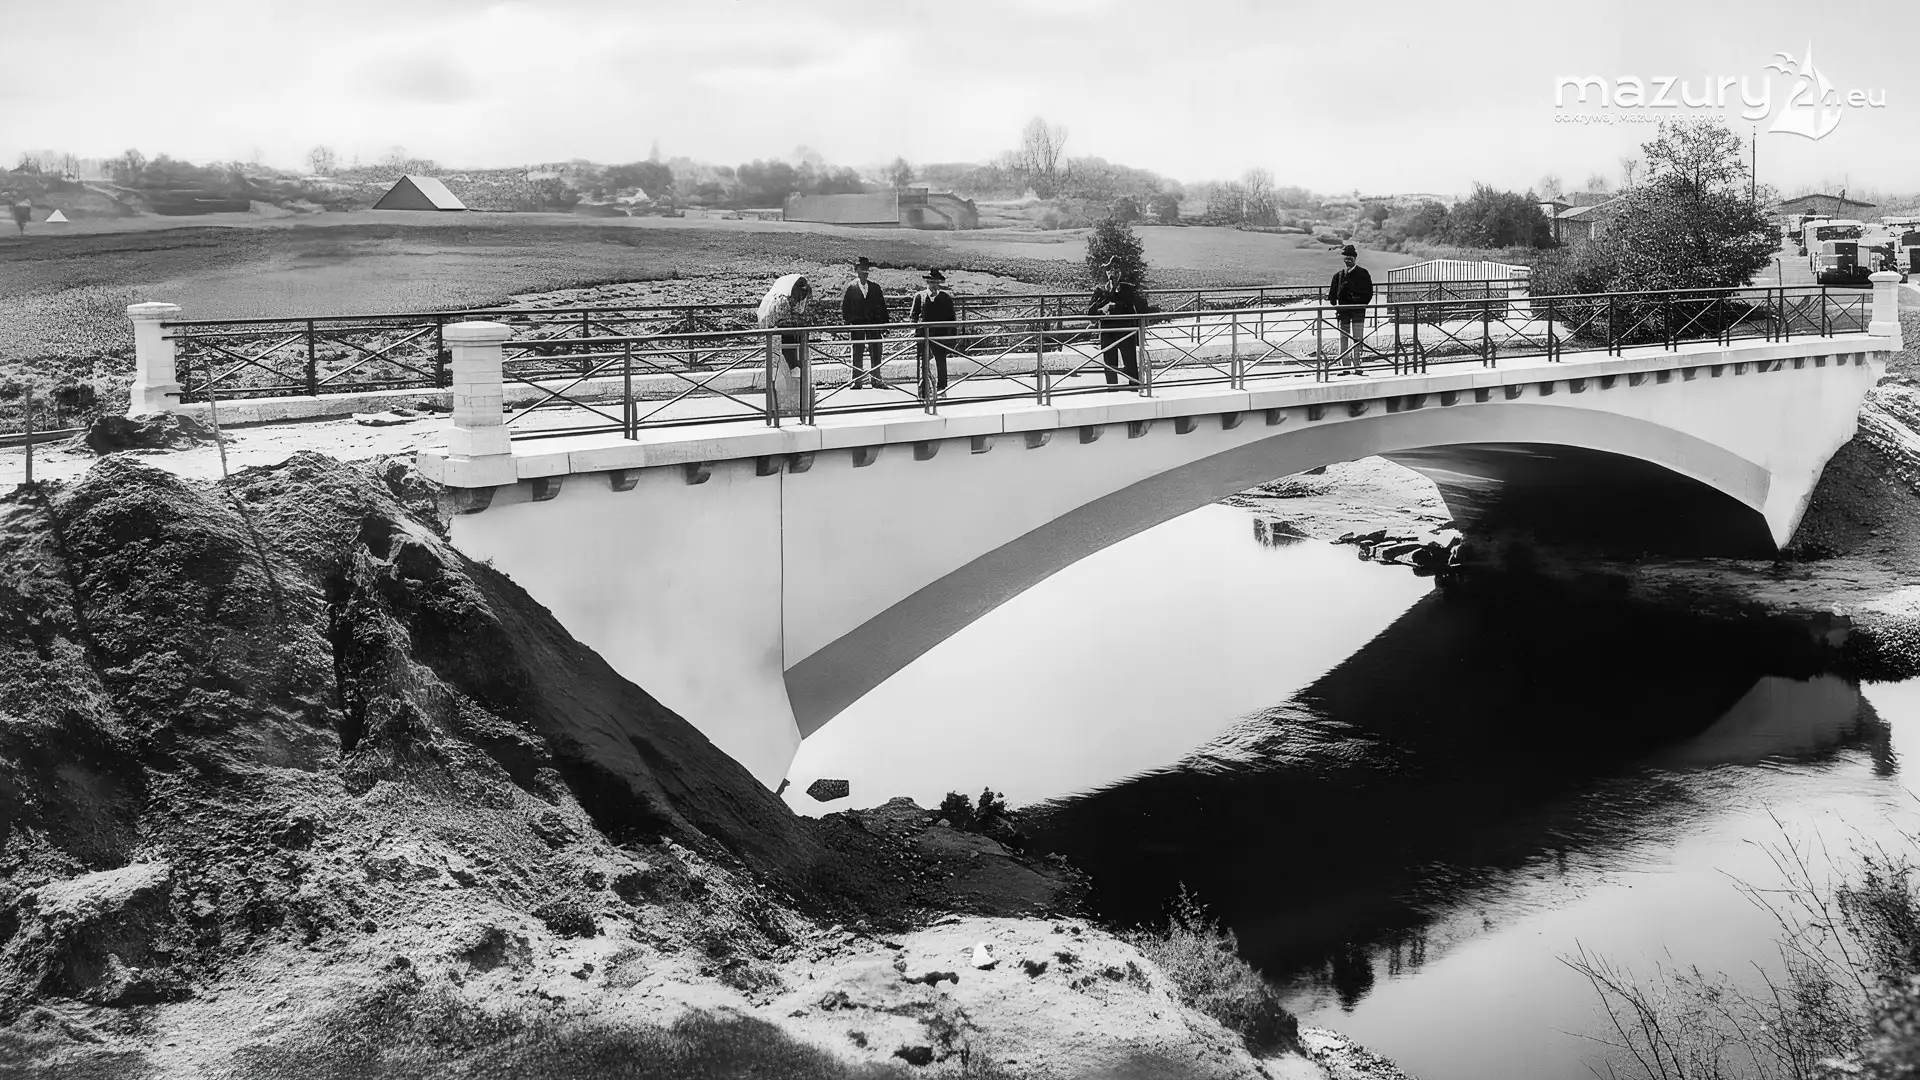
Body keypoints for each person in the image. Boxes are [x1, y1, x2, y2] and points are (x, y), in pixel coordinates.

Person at [757, 273, 813, 415]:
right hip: (782, 341)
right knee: (785, 371)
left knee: (785, 371)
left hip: (782, 341)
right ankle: (784, 404)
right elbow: (784, 323)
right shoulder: (781, 301)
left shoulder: (777, 298)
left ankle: (785, 404)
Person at [1088, 257, 1148, 388]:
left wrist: (1122, 304)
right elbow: (1090, 313)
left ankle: (1135, 389)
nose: (1113, 272)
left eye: (1116, 269)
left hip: (1126, 333)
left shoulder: (1128, 289)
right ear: (1106, 272)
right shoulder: (1100, 291)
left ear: (1120, 272)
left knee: (1131, 366)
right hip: (1108, 334)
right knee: (1110, 367)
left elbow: (1142, 308)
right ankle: (1112, 390)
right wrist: (1103, 309)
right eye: (1109, 269)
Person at [841, 256, 889, 389]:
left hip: (874, 325)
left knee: (876, 352)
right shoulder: (851, 288)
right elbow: (845, 308)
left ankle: (876, 380)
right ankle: (857, 381)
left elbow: (882, 307)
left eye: (866, 270)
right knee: (857, 352)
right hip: (858, 326)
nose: (864, 272)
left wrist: (884, 325)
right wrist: (849, 324)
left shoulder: (875, 288)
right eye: (862, 269)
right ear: (857, 271)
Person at [910, 269, 960, 396]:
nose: (934, 285)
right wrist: (915, 331)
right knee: (924, 363)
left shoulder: (945, 298)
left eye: (936, 282)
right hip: (924, 335)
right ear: (927, 282)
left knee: (941, 362)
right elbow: (914, 316)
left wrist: (951, 338)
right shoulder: (919, 297)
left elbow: (952, 319)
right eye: (931, 282)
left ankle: (941, 389)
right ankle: (925, 390)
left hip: (940, 335)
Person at [1327, 244, 1374, 375]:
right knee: (1343, 338)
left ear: (1355, 259)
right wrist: (1335, 303)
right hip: (1343, 313)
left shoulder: (1363, 274)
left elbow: (1369, 293)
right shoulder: (1338, 276)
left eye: (1350, 258)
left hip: (1358, 312)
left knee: (1357, 339)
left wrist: (1358, 303)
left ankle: (1357, 366)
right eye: (1346, 257)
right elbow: (1332, 294)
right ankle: (1344, 367)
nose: (1348, 260)